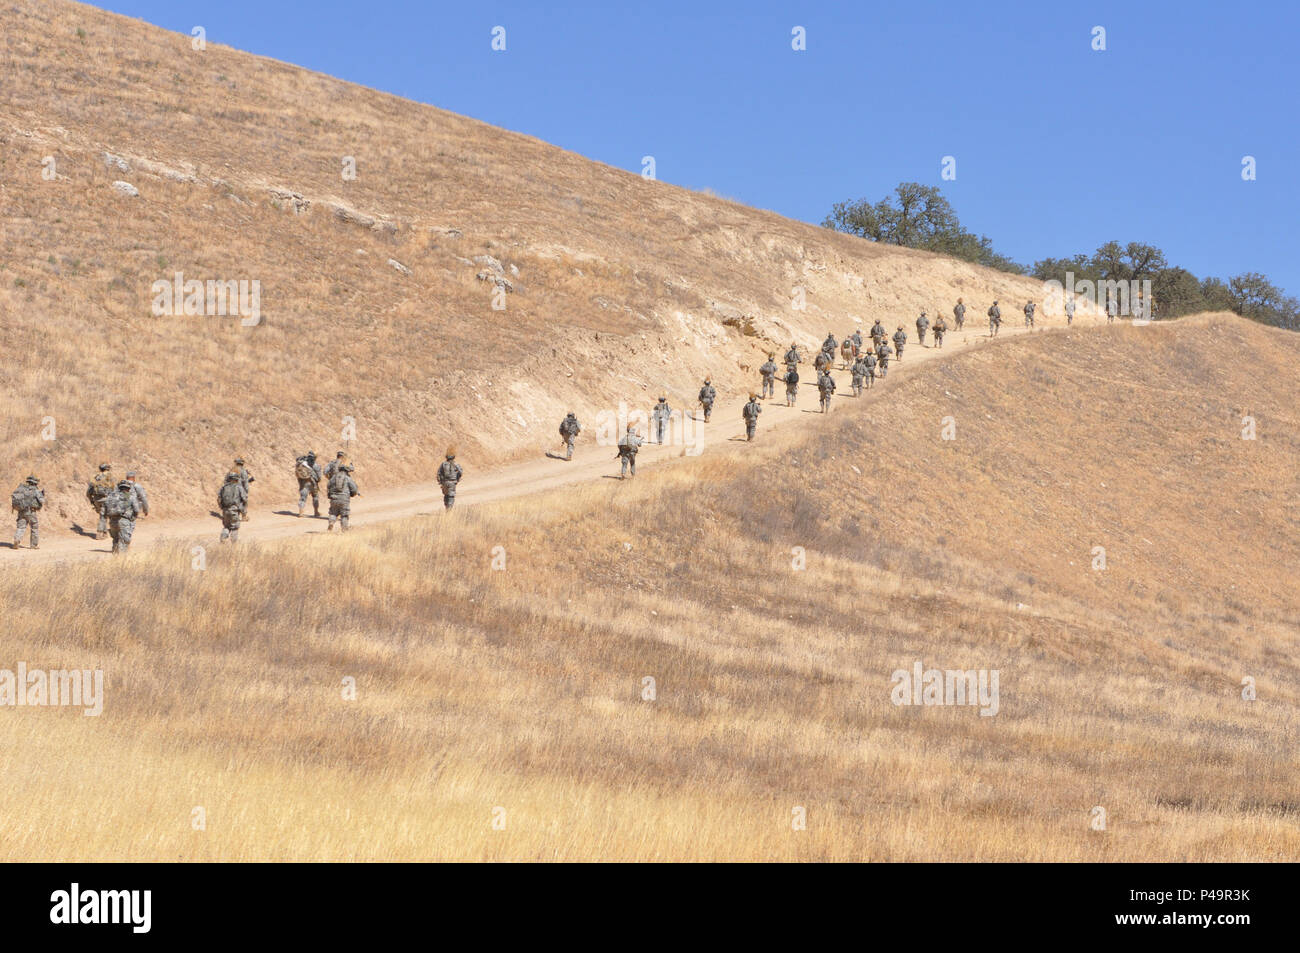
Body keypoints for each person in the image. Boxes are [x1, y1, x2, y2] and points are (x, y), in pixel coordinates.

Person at [104, 479, 142, 554]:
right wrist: (133, 518)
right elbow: (136, 510)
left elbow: (105, 508)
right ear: (128, 488)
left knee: (115, 539)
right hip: (124, 521)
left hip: (112, 521)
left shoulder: (111, 496)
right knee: (124, 541)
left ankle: (115, 557)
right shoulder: (130, 497)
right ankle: (121, 560)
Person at [11, 475, 43, 550]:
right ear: (35, 483)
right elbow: (42, 500)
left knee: (20, 527)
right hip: (31, 512)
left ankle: (17, 540)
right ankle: (33, 545)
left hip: (21, 511)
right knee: (34, 527)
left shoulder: (21, 489)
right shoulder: (35, 490)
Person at [86, 462, 115, 540]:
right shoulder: (109, 477)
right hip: (106, 499)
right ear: (107, 469)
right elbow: (114, 490)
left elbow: (88, 492)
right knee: (103, 516)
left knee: (103, 515)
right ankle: (99, 533)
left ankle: (104, 533)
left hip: (96, 499)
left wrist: (92, 500)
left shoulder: (96, 477)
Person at [327, 464, 360, 530]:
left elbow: (328, 486)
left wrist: (330, 495)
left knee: (333, 513)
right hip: (344, 499)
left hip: (334, 498)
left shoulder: (333, 477)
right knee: (344, 515)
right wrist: (352, 494)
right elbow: (354, 489)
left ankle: (331, 522)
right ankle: (344, 529)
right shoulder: (348, 478)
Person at [218, 471, 247, 542]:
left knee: (226, 527)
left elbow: (219, 499)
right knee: (234, 528)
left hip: (225, 510)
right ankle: (233, 546)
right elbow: (244, 499)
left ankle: (223, 539)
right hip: (234, 510)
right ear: (236, 479)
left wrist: (222, 507)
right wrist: (244, 512)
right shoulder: (239, 487)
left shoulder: (223, 487)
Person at [295, 451, 322, 517]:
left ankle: (301, 512)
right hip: (312, 483)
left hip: (303, 483)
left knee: (303, 498)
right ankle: (316, 512)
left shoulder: (302, 463)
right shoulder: (316, 465)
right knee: (315, 497)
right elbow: (319, 477)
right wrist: (318, 480)